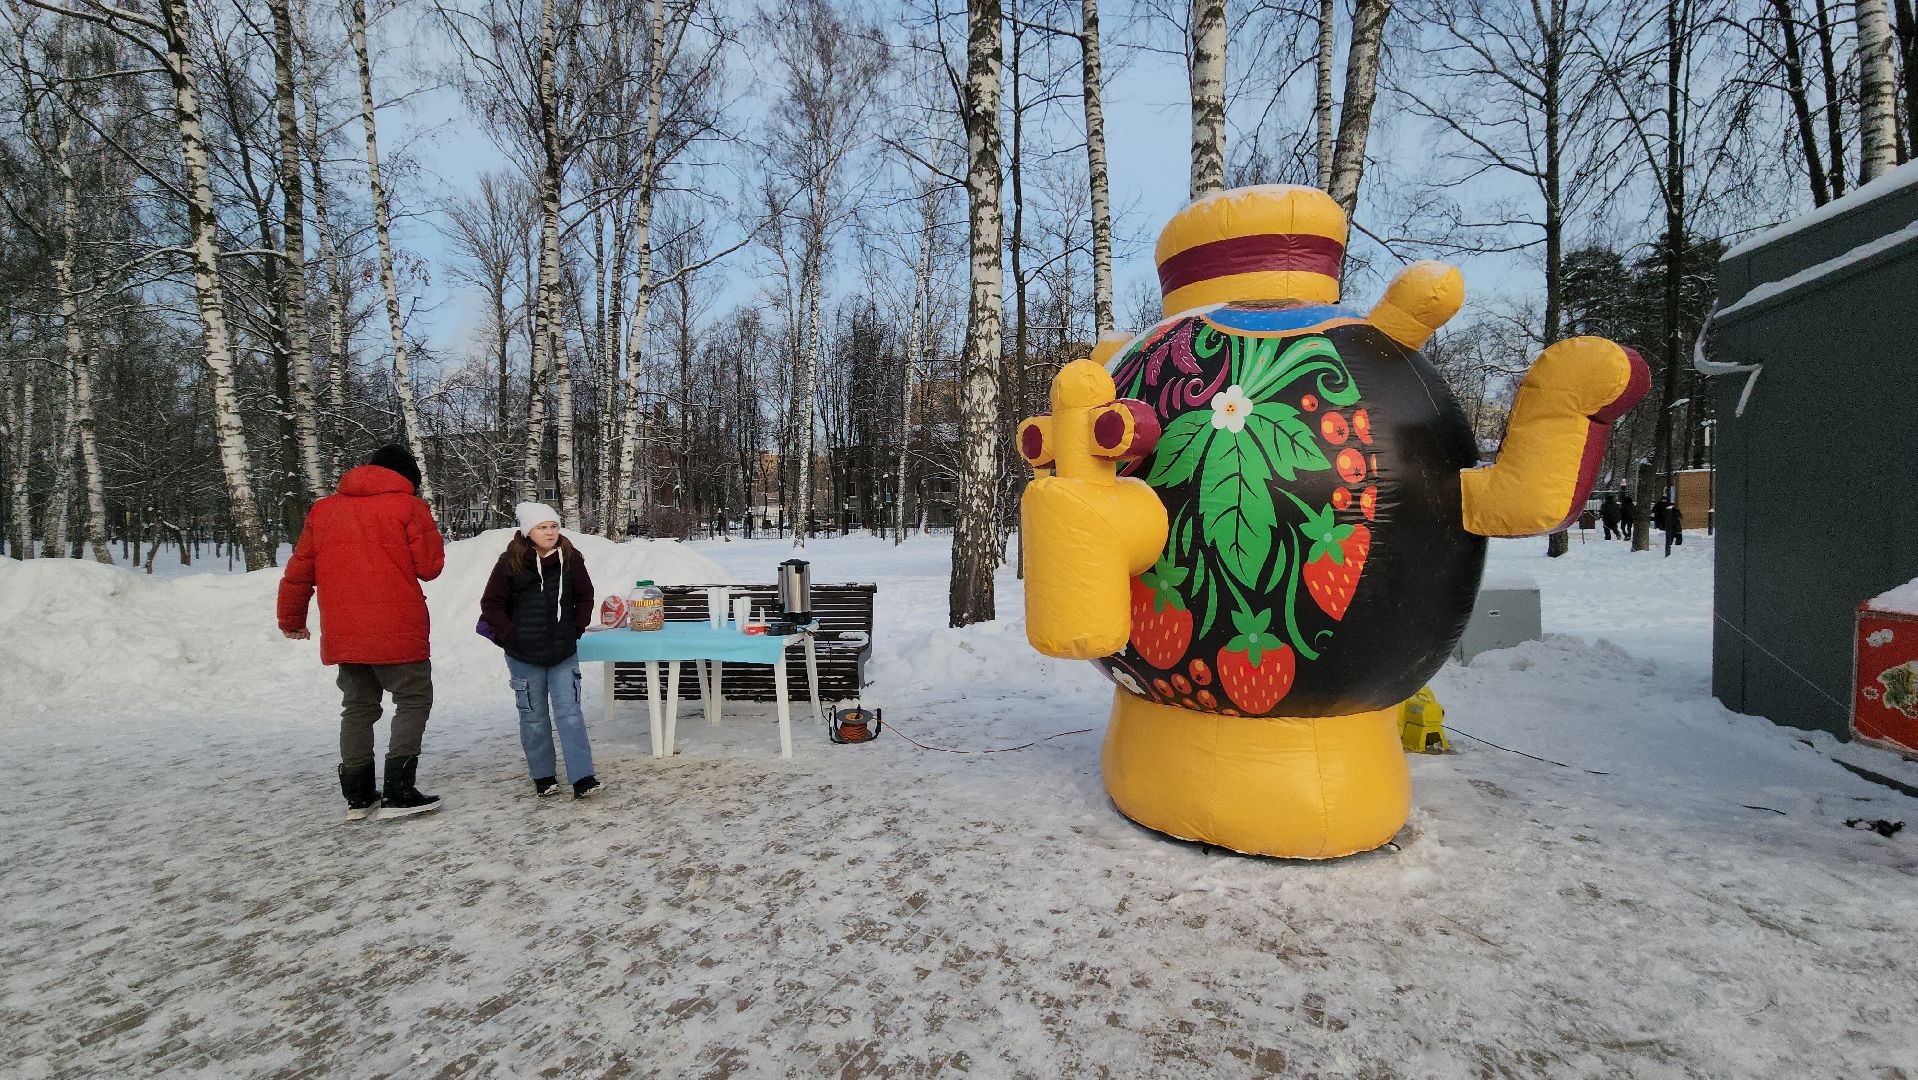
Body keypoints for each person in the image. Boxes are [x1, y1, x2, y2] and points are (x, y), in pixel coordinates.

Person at [279, 444, 446, 821]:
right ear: (409, 479)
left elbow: (299, 570)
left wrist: (292, 619)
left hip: (345, 631)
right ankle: (399, 790)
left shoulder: (323, 510)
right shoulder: (409, 507)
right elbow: (430, 566)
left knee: (357, 707)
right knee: (413, 699)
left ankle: (358, 795)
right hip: (397, 627)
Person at [480, 502, 601, 799]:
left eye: (553, 526)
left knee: (570, 714)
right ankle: (543, 775)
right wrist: (511, 636)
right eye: (542, 527)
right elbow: (491, 604)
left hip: (563, 652)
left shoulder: (571, 559)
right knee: (533, 717)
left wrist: (575, 628)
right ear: (528, 532)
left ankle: (583, 777)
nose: (549, 532)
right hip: (523, 656)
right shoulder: (510, 562)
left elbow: (585, 596)